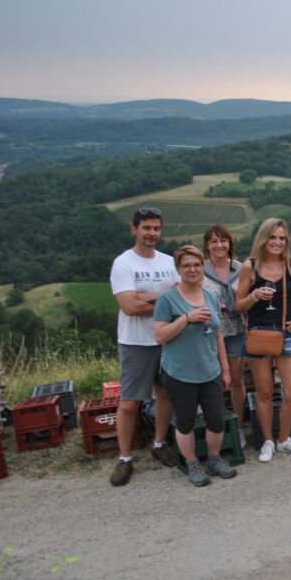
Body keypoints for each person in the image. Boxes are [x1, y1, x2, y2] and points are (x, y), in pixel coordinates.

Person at [108, 207, 179, 487]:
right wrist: (163, 299)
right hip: (135, 342)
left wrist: (146, 296)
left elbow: (180, 299)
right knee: (129, 403)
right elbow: (129, 306)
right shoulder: (123, 263)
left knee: (164, 395)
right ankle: (124, 458)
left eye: (156, 228)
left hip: (166, 339)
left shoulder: (169, 261)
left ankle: (159, 443)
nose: (152, 233)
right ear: (134, 229)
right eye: (146, 228)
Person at [153, 246, 236, 486]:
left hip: (209, 369)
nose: (192, 269)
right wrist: (185, 319)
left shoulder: (209, 295)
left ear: (202, 267)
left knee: (216, 419)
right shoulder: (167, 299)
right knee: (186, 421)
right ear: (178, 269)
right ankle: (192, 464)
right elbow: (160, 336)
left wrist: (225, 368)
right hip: (180, 372)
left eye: (197, 265)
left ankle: (214, 458)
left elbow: (217, 333)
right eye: (186, 265)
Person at [235, 218, 291, 463]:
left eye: (282, 238)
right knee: (264, 392)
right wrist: (255, 295)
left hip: (285, 331)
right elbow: (239, 305)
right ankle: (268, 441)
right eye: (273, 237)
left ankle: (284, 438)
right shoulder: (250, 266)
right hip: (258, 332)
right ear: (264, 238)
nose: (277, 242)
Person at [201, 224, 248, 448]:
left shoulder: (242, 268)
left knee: (237, 381)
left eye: (223, 240)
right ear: (207, 245)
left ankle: (238, 426)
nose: (219, 245)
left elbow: (249, 299)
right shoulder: (199, 270)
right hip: (210, 334)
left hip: (237, 331)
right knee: (214, 383)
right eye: (213, 241)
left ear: (230, 243)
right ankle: (217, 427)